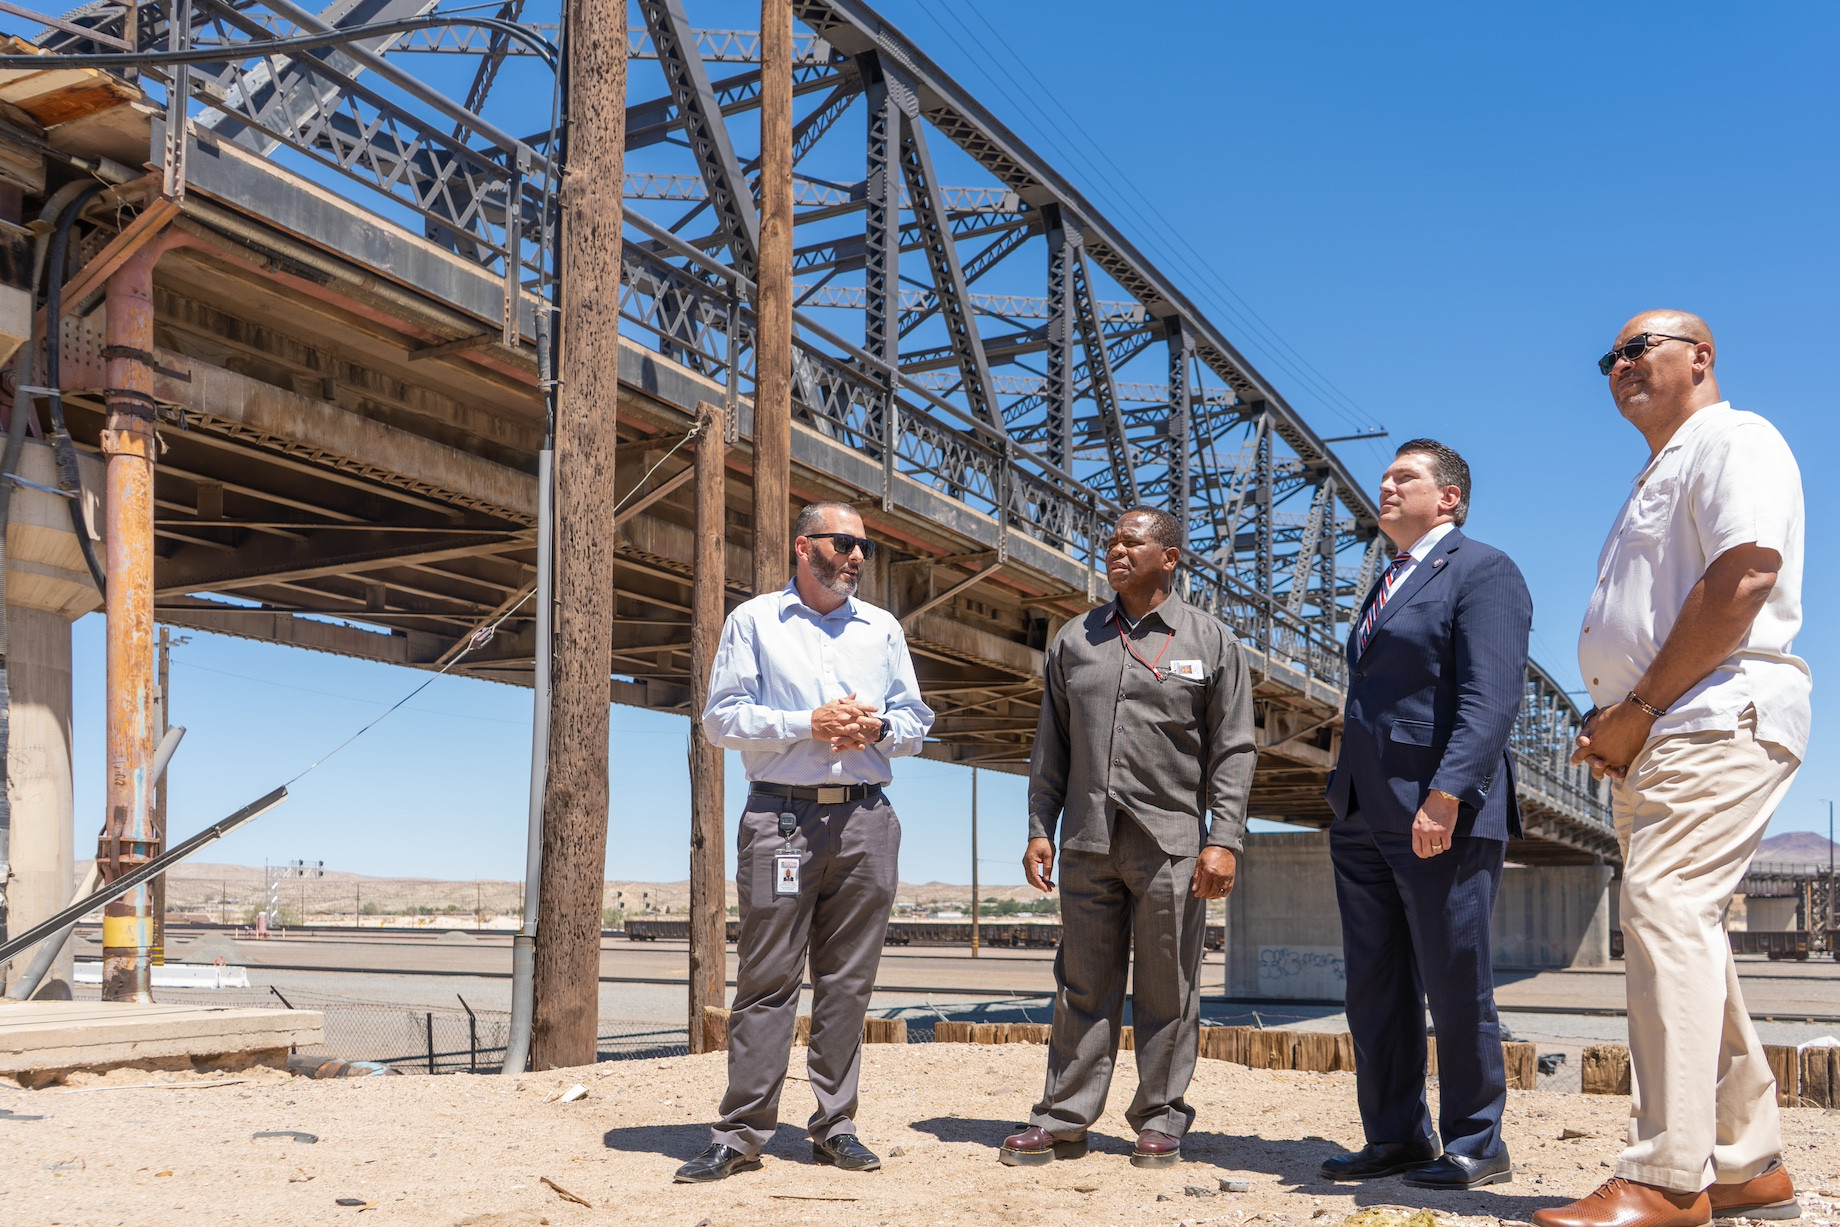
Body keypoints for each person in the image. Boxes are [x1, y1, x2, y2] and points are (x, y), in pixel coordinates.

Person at [1534, 313, 1809, 1227]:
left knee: (1665, 912)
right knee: (1686, 931)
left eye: (1638, 346)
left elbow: (1744, 576)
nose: (1618, 365)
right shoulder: (1662, 467)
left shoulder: (1737, 437)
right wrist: (1615, 716)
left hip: (1711, 714)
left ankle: (1666, 1176)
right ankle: (1745, 1163)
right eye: (1608, 356)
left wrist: (1640, 708)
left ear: (1701, 356)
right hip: (1661, 728)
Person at [675, 502, 935, 1184]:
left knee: (848, 980)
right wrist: (808, 723)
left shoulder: (882, 630)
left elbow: (916, 721)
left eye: (864, 548)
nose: (856, 556)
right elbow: (720, 720)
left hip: (866, 822)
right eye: (844, 542)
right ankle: (740, 1133)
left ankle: (835, 1126)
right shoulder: (754, 621)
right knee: (767, 979)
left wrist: (877, 730)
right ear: (804, 546)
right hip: (781, 823)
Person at [998, 506, 1255, 1169]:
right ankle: (1063, 1119)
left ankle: (1161, 1119)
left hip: (1171, 843)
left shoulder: (1209, 640)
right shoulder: (1075, 639)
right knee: (1081, 985)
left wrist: (1223, 838)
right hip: (1086, 840)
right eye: (1110, 540)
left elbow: (1234, 749)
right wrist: (1038, 827)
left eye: (1130, 542)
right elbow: (1048, 746)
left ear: (1169, 557)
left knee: (1170, 987)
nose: (1115, 549)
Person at [1318, 439, 1532, 1191]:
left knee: (1454, 977)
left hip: (1438, 809)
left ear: (1449, 498)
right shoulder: (1388, 581)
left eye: (1402, 477)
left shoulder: (1484, 570)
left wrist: (1447, 792)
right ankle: (1396, 1135)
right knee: (1374, 983)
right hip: (1362, 810)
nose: (1384, 486)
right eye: (1383, 477)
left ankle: (1478, 1139)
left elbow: (1492, 695)